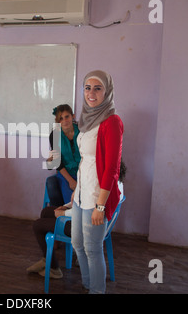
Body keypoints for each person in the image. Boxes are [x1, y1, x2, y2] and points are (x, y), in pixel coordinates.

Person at [28, 160, 126, 280]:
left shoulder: (102, 188)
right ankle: (47, 260)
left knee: (38, 225)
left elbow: (85, 211)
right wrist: (66, 206)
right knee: (46, 212)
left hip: (86, 227)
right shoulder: (115, 183)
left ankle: (53, 268)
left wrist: (63, 213)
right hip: (89, 222)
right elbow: (82, 199)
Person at [72, 70, 123, 294]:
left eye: (97, 88)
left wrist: (100, 206)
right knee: (77, 244)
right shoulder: (86, 119)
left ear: (107, 91)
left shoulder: (112, 122)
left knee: (93, 249)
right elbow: (85, 160)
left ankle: (97, 290)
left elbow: (112, 169)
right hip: (82, 192)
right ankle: (88, 284)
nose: (91, 93)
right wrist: (76, 190)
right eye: (87, 88)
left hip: (97, 196)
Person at [45, 105, 81, 207]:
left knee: (85, 205)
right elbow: (57, 162)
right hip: (66, 174)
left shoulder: (82, 130)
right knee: (71, 205)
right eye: (61, 118)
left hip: (84, 173)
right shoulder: (54, 135)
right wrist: (71, 181)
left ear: (73, 116)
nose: (64, 121)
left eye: (67, 117)